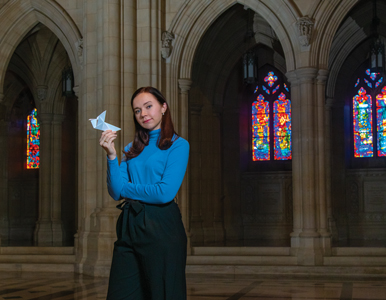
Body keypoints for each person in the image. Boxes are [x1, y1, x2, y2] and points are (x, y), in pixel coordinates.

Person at [99, 86, 189, 300]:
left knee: (163, 294)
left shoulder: (178, 145)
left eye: (149, 106)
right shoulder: (131, 148)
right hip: (130, 223)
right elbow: (115, 191)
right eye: (137, 110)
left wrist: (127, 190)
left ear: (163, 107)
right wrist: (111, 156)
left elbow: (164, 193)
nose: (143, 114)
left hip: (161, 225)